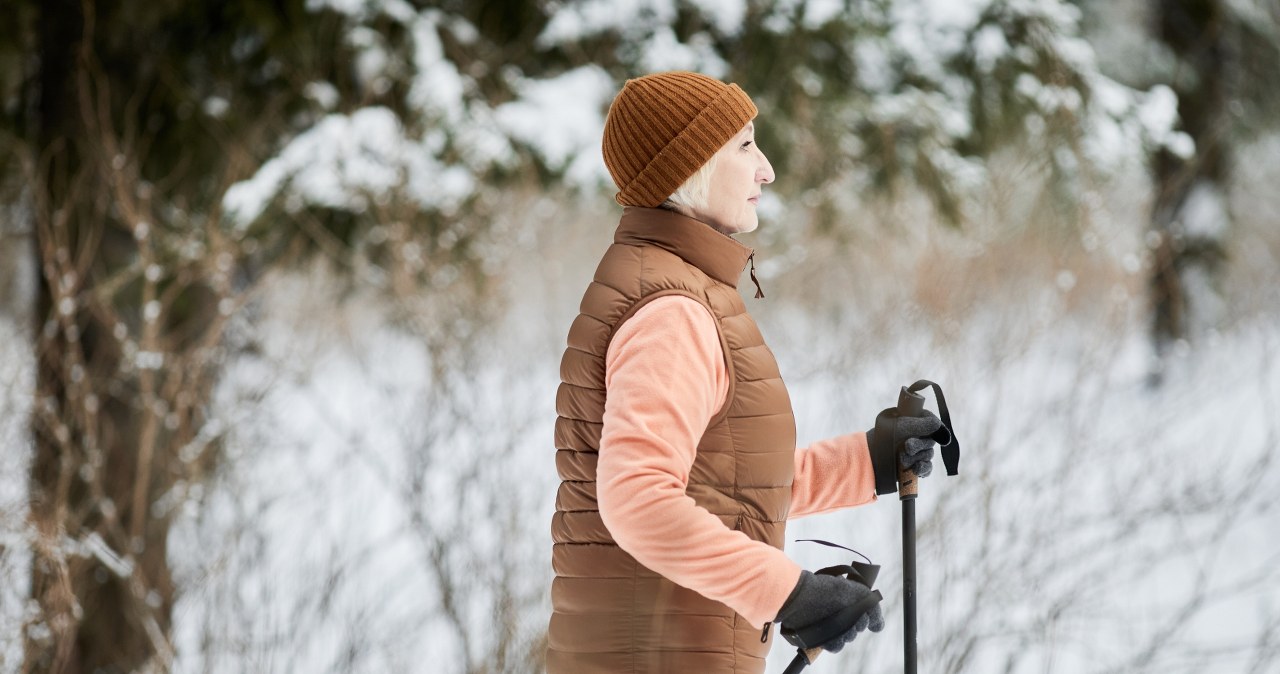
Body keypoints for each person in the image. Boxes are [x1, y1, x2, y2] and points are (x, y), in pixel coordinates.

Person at [547, 71, 942, 673]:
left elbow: (720, 487)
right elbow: (637, 502)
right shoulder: (672, 312)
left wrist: (863, 463)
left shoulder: (674, 285)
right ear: (691, 166)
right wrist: (788, 593)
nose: (767, 169)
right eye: (745, 145)